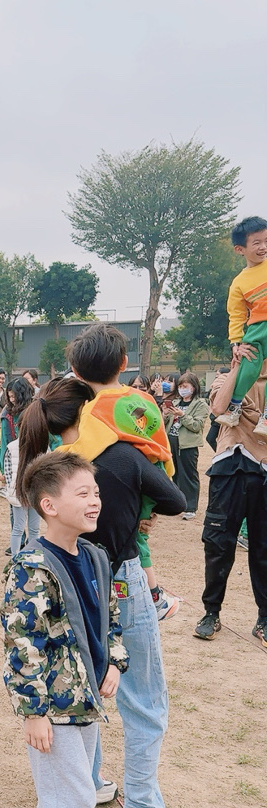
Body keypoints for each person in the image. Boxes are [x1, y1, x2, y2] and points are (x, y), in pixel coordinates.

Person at [19, 355, 186, 808]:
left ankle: (88, 784)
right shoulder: (123, 455)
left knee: (81, 687)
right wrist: (139, 513)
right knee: (143, 698)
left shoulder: (52, 469)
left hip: (71, 581)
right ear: (90, 409)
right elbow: (177, 500)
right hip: (120, 582)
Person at [2, 450, 136, 808]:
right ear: (48, 505)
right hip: (53, 709)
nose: (95, 501)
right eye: (83, 493)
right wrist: (33, 711)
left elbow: (111, 618)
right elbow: (23, 645)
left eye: (95, 492)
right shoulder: (31, 568)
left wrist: (114, 661)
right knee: (75, 795)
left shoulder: (96, 556)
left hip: (87, 702)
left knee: (64, 789)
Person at [64, 329, 179, 621]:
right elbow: (161, 439)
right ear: (124, 363)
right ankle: (155, 595)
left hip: (127, 480)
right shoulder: (145, 398)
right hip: (156, 472)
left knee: (135, 539)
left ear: (76, 372)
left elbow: (86, 451)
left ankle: (155, 597)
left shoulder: (94, 410)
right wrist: (165, 475)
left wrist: (60, 457)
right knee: (140, 533)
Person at [194, 351, 267, 644]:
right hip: (229, 468)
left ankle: (264, 618)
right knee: (218, 545)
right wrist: (237, 368)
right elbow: (218, 408)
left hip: (264, 471)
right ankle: (211, 613)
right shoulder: (228, 378)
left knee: (263, 549)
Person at [215, 215, 267, 434]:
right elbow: (236, 316)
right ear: (240, 249)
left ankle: (266, 417)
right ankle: (235, 406)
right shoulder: (239, 283)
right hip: (258, 329)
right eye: (257, 243)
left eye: (266, 241)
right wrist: (236, 343)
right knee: (248, 366)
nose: (263, 247)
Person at [163, 372, 208, 520]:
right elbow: (165, 424)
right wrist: (165, 414)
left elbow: (197, 426)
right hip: (172, 441)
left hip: (188, 444)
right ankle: (177, 504)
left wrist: (182, 415)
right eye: (180, 386)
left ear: (193, 387)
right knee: (173, 473)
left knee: (188, 475)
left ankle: (191, 507)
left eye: (185, 386)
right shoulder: (175, 402)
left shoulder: (200, 404)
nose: (182, 389)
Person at [3, 433, 41, 557]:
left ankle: (32, 555)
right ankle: (15, 556)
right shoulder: (12, 447)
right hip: (18, 493)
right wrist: (11, 490)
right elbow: (8, 471)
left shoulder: (42, 445)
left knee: (34, 528)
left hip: (35, 492)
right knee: (18, 528)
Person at [0, 377, 35, 460]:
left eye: (14, 396)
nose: (12, 400)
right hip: (14, 458)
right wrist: (4, 464)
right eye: (10, 397)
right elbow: (4, 444)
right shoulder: (7, 415)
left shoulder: (36, 411)